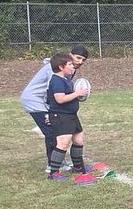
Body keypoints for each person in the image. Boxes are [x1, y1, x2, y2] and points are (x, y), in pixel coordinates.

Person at [20, 45, 89, 176]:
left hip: (44, 100)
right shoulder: (56, 71)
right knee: (52, 130)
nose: (80, 61)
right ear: (70, 55)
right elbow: (52, 92)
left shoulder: (69, 69)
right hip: (34, 99)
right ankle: (52, 165)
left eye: (83, 60)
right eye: (78, 58)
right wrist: (51, 113)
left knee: (57, 130)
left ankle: (63, 163)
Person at [44, 51, 88, 179]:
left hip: (71, 115)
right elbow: (60, 99)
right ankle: (54, 173)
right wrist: (77, 93)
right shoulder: (57, 80)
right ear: (61, 67)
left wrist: (80, 95)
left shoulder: (66, 79)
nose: (73, 66)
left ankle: (78, 167)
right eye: (69, 64)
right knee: (63, 143)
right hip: (61, 116)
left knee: (78, 140)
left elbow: (69, 95)